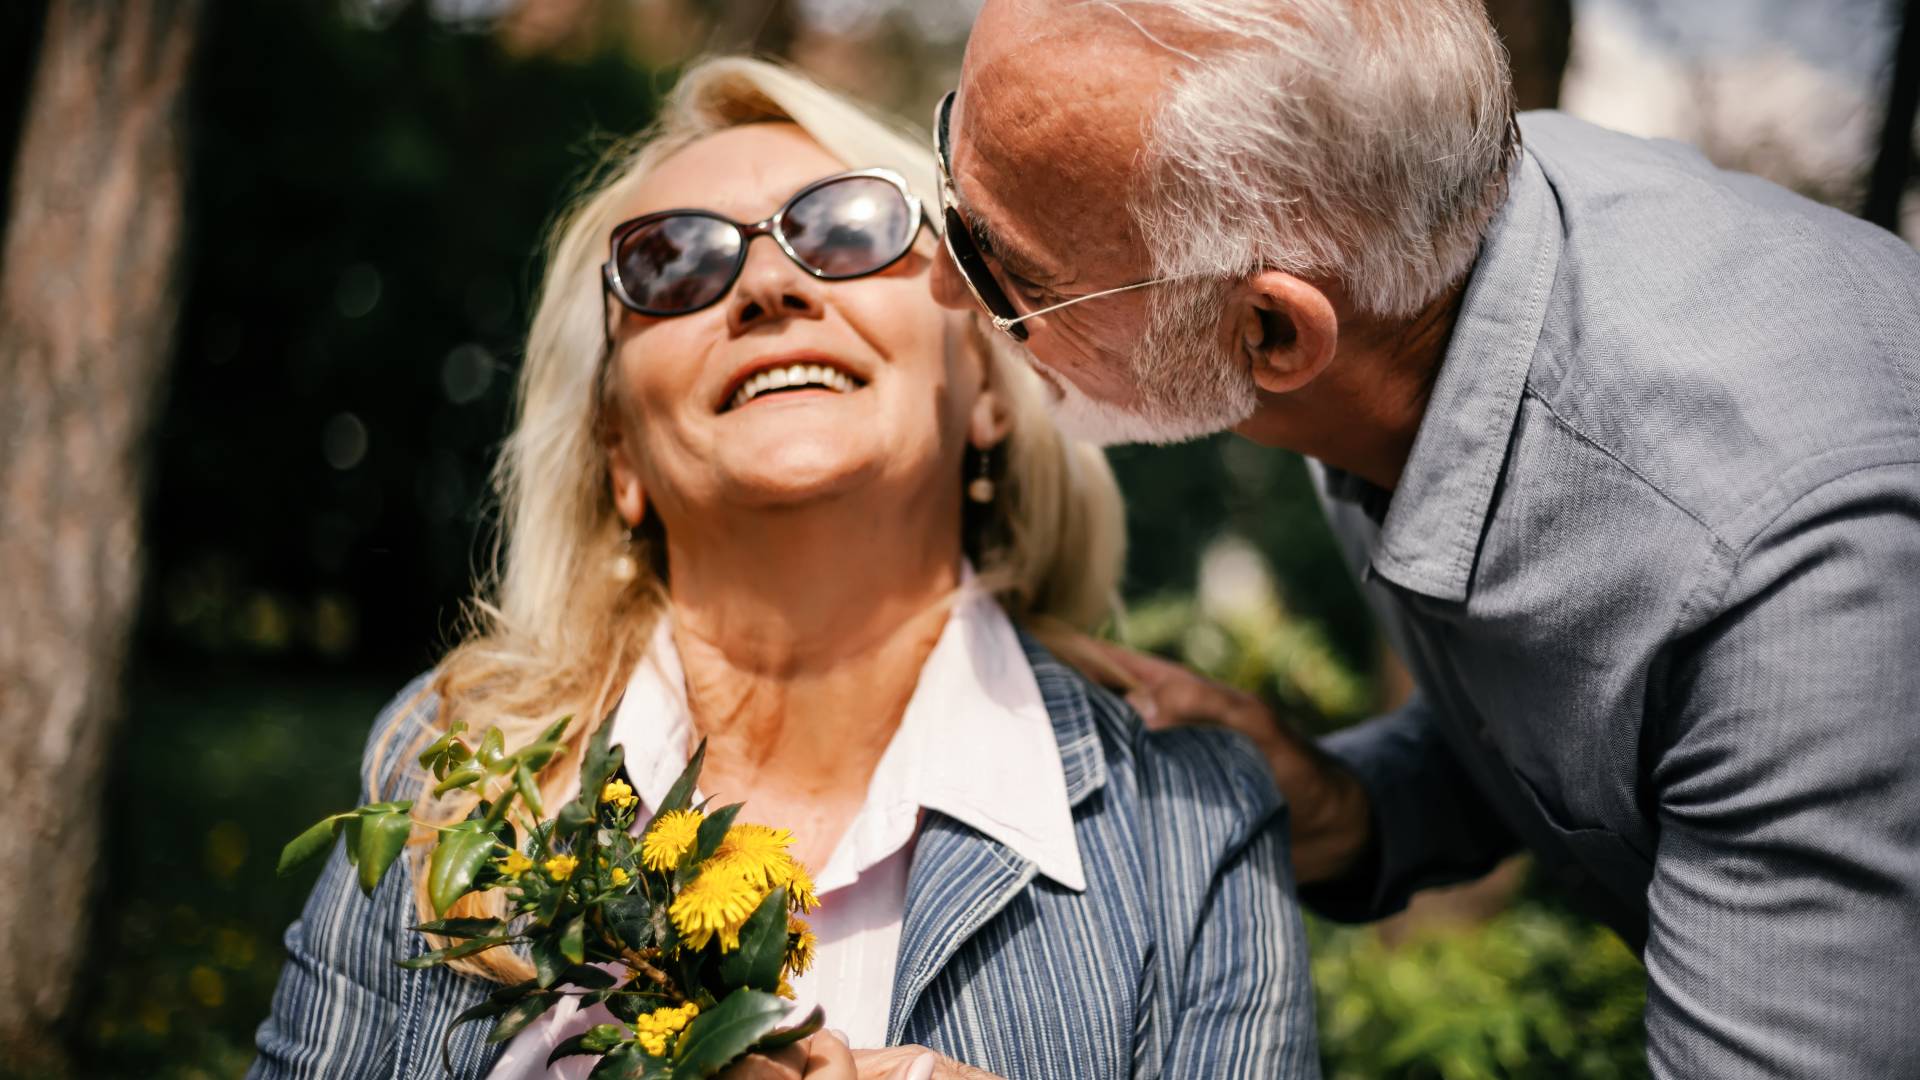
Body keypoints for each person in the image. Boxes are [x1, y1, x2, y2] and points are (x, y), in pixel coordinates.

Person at [248, 57, 1320, 1080]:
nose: (765, 283)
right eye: (671, 263)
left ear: (991, 386)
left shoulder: (1196, 824)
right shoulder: (446, 774)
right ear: (619, 453)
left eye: (849, 228)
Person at [931, 0, 1920, 1076]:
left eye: (1001, 266)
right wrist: (1354, 806)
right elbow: (1608, 723)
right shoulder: (1395, 256)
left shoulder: (1791, 586)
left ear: (1271, 331)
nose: (942, 283)